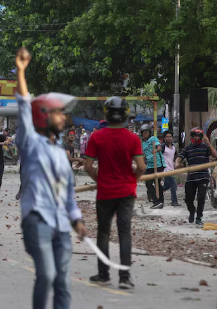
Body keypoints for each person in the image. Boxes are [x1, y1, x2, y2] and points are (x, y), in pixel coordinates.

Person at [15, 47, 87, 309]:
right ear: (44, 116)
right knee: (46, 275)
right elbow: (24, 108)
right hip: (37, 221)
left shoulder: (60, 153)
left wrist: (76, 219)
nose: (63, 118)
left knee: (63, 281)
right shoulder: (30, 143)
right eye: (58, 112)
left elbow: (67, 194)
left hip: (60, 223)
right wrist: (21, 72)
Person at [84, 97, 146, 289]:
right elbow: (142, 167)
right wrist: (131, 180)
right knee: (124, 233)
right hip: (126, 192)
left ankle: (103, 275)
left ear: (106, 113)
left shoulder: (97, 137)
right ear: (126, 114)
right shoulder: (133, 138)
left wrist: (99, 179)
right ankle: (124, 278)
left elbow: (87, 166)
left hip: (105, 192)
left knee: (103, 233)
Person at [175, 128, 217, 224]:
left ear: (201, 137)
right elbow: (179, 158)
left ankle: (199, 217)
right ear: (192, 136)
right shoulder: (187, 148)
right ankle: (192, 211)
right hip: (191, 177)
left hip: (203, 176)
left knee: (201, 197)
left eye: (198, 136)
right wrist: (177, 164)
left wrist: (209, 143)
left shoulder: (205, 147)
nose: (196, 138)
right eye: (195, 136)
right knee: (188, 199)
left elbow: (215, 155)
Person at [141, 124, 166, 209]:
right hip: (150, 165)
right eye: (144, 132)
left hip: (158, 163)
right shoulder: (143, 143)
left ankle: (159, 202)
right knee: (148, 183)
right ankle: (156, 201)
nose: (145, 133)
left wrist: (155, 150)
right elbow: (144, 154)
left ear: (149, 132)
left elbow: (160, 148)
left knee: (157, 183)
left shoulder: (153, 139)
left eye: (147, 132)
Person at [161, 130, 180, 206]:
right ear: (165, 138)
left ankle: (154, 191)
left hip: (172, 168)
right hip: (165, 169)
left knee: (166, 186)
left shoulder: (174, 147)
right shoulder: (163, 147)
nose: (169, 138)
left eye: (170, 137)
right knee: (174, 184)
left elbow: (176, 156)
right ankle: (174, 201)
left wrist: (176, 162)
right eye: (167, 137)